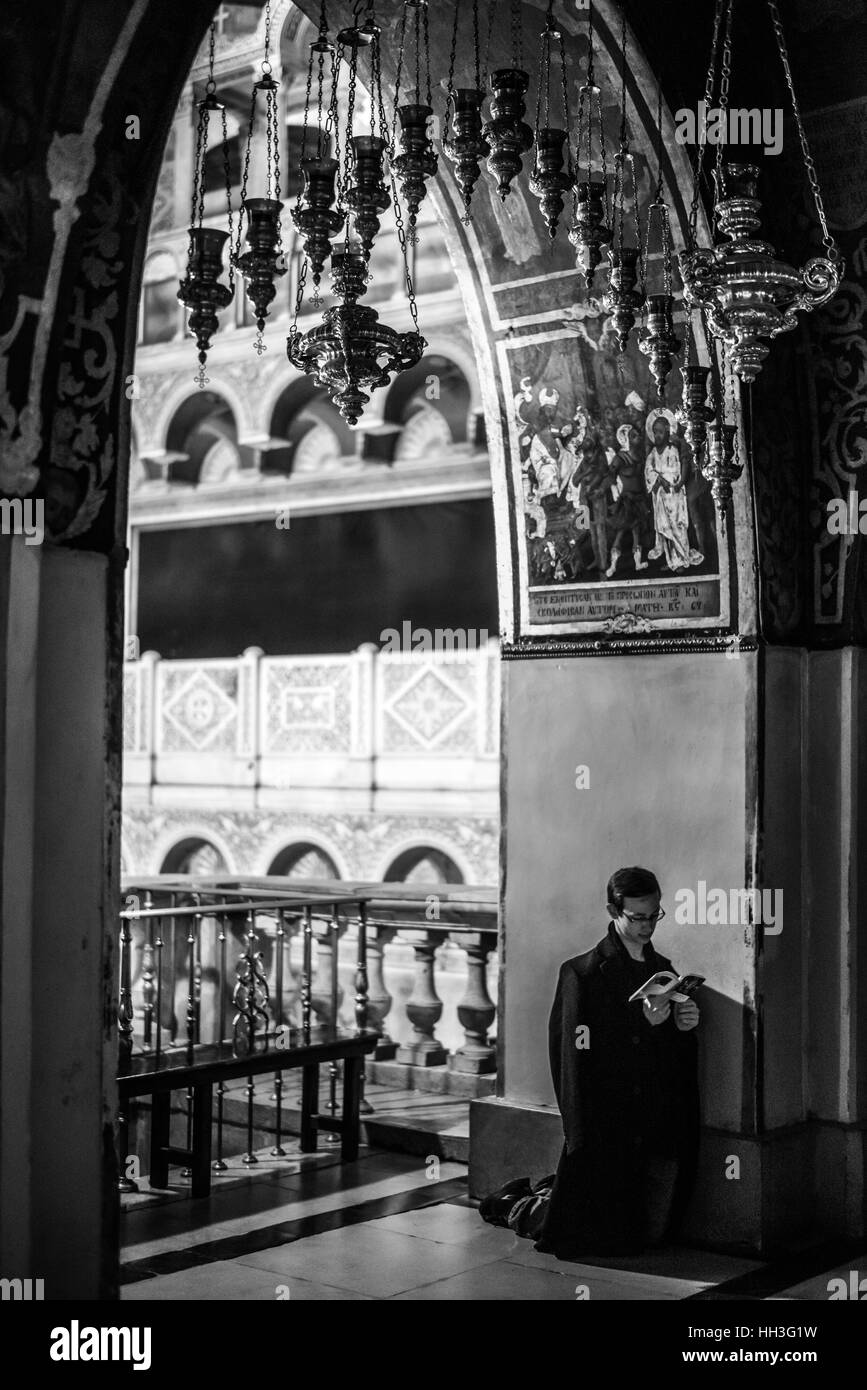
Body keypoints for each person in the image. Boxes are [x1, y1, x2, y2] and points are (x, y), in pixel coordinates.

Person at [479, 865, 700, 1257]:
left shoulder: (662, 971)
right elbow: (573, 1057)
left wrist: (681, 1025)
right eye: (638, 917)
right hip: (603, 1119)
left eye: (655, 915)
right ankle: (511, 1204)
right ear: (613, 911)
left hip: (644, 1119)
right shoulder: (581, 974)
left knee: (641, 1233)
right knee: (576, 1232)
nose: (648, 926)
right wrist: (578, 1133)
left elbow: (667, 1057)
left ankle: (546, 1191)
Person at [645, 411, 704, 572]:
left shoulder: (672, 450)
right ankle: (671, 561)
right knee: (665, 529)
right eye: (655, 432)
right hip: (660, 496)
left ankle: (682, 558)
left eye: (660, 431)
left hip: (674, 495)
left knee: (677, 527)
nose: (657, 435)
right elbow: (648, 470)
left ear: (668, 432)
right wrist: (657, 480)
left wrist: (666, 480)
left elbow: (676, 471)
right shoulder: (652, 453)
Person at [606, 423, 653, 578]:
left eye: (637, 435)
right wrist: (614, 489)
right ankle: (612, 566)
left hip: (639, 499)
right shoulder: (619, 458)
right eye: (633, 436)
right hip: (626, 500)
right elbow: (610, 475)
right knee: (620, 532)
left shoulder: (639, 455)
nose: (637, 438)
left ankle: (638, 563)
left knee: (636, 532)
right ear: (625, 438)